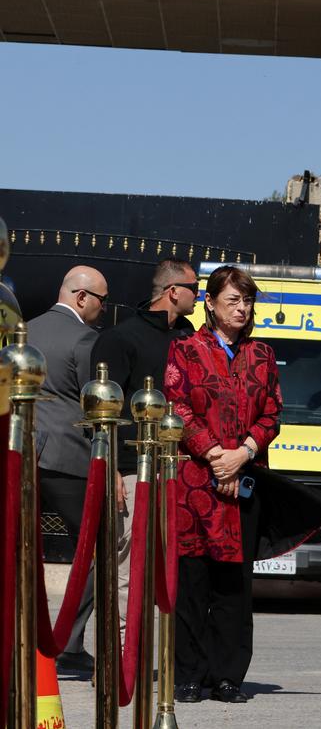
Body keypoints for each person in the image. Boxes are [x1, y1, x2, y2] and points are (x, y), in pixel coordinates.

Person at [164, 265, 281, 704]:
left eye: (247, 301)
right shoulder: (185, 350)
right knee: (193, 583)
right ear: (210, 304)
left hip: (244, 482)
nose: (242, 308)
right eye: (233, 300)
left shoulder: (263, 355)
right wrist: (216, 457)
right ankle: (189, 674)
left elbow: (272, 413)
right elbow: (177, 408)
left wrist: (242, 454)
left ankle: (229, 675)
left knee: (235, 585)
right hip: (197, 485)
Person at [92, 259, 197, 647]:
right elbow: (103, 414)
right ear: (173, 292)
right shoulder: (120, 339)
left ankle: (157, 655)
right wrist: (112, 471)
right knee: (125, 565)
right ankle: (119, 653)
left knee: (166, 568)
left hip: (178, 472)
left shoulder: (188, 338)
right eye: (194, 288)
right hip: (132, 472)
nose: (198, 296)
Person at [28, 265, 109, 673]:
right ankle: (69, 642)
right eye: (101, 300)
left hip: (22, 455)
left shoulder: (23, 330)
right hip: (68, 461)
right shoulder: (85, 339)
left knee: (19, 549)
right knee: (101, 547)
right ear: (81, 297)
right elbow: (98, 409)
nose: (104, 308)